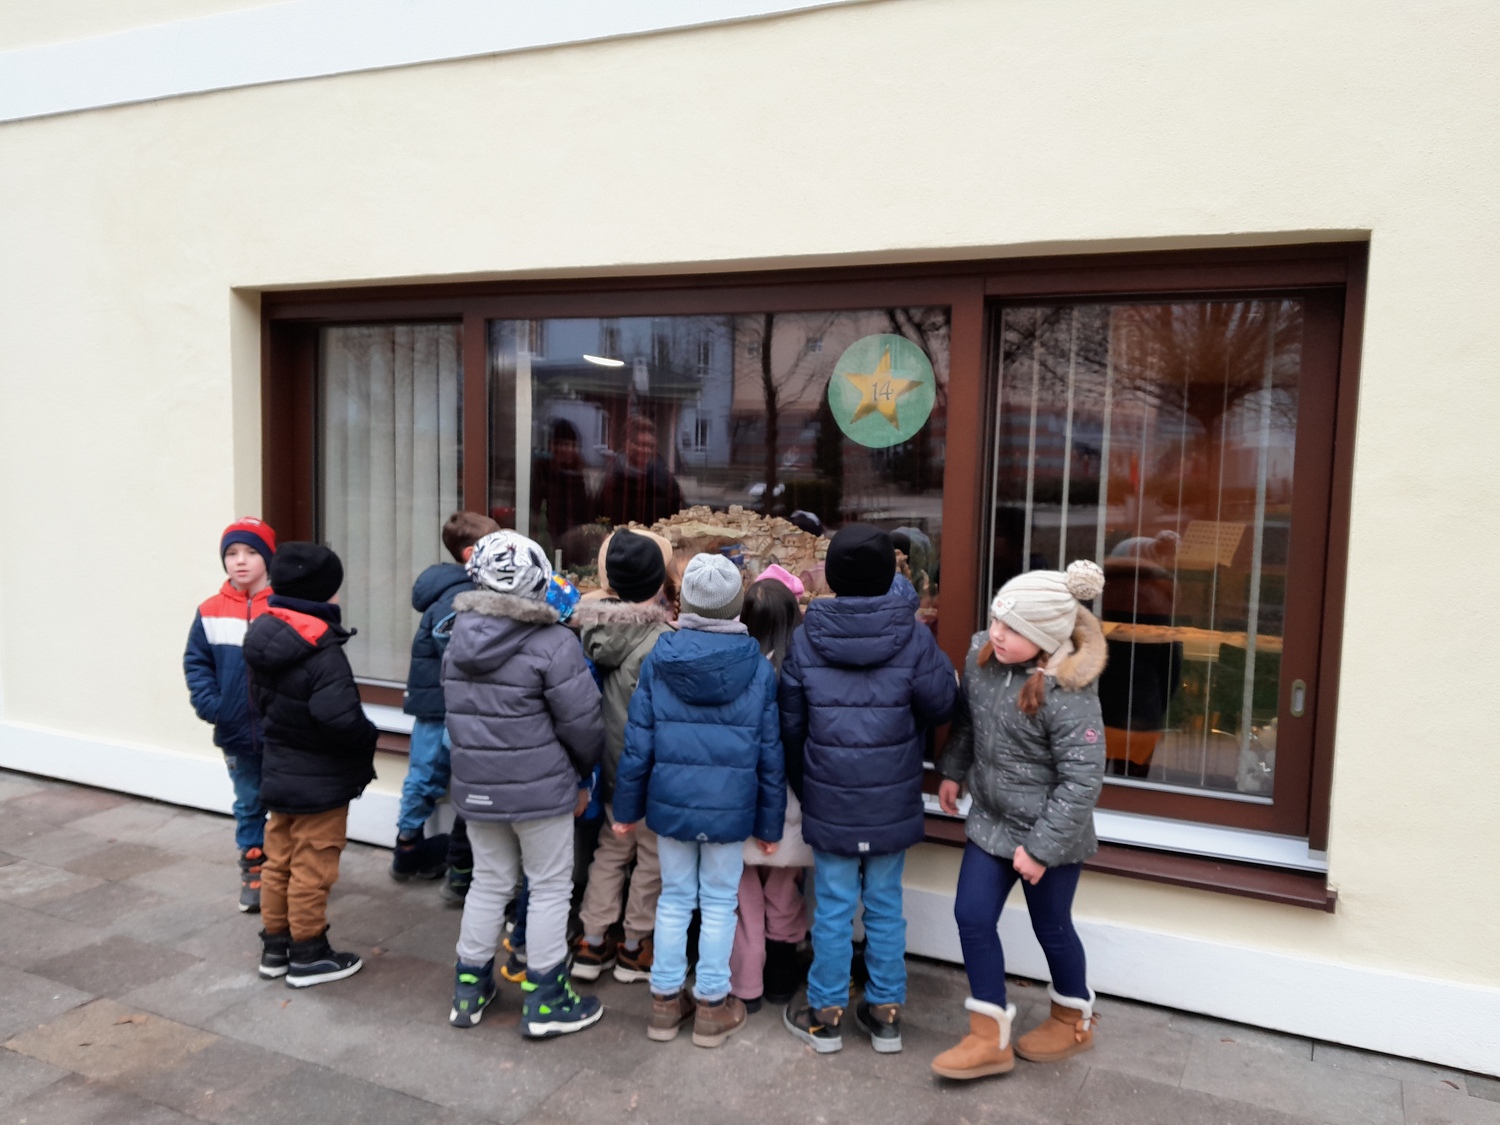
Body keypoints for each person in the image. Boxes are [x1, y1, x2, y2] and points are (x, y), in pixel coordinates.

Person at [779, 524, 957, 1055]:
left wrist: (806, 785)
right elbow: (942, 705)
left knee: (832, 908)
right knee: (884, 905)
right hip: (891, 797)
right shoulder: (914, 636)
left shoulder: (807, 636)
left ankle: (826, 1013)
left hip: (830, 795)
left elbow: (791, 724)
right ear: (888, 576)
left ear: (832, 577)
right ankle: (886, 1015)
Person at [930, 560, 1108, 1080]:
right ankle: (989, 1036)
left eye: (1013, 629)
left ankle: (1073, 1018)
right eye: (996, 620)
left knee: (1051, 925)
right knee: (971, 916)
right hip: (991, 819)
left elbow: (1082, 781)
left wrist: (1041, 850)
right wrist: (953, 770)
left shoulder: (1069, 693)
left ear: (1047, 639)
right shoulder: (983, 656)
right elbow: (969, 720)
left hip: (1050, 832)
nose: (997, 634)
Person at [612, 553, 785, 1049]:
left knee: (674, 900)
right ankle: (711, 1005)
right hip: (731, 811)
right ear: (736, 607)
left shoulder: (659, 657)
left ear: (684, 602)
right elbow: (770, 754)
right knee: (719, 904)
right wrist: (769, 826)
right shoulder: (757, 666)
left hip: (671, 806)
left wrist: (626, 810)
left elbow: (638, 742)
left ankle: (665, 1002)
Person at [442, 531, 606, 1036]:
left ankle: (469, 987)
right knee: (551, 886)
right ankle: (546, 998)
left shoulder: (456, 637)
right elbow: (583, 724)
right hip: (541, 789)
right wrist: (583, 775)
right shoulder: (554, 642)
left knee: (489, 882)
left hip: (477, 785)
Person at [242, 543, 378, 987]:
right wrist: (367, 737)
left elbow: (259, 703)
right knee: (312, 867)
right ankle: (308, 952)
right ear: (324, 594)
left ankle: (275, 947)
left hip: (279, 770)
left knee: (278, 861)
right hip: (320, 780)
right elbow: (340, 720)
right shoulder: (321, 648)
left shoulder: (264, 635)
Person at [570, 529, 676, 984]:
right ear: (659, 581)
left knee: (611, 850)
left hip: (607, 766)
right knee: (650, 856)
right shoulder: (662, 641)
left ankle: (592, 940)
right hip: (648, 771)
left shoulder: (587, 627)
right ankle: (634, 945)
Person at [392, 511, 500, 895]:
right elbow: (461, 653)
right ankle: (447, 862)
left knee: (425, 774)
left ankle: (408, 846)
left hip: (432, 702)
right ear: (472, 554)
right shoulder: (460, 597)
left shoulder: (447, 589)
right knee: (462, 779)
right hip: (450, 705)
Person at [183, 517, 277, 913]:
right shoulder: (210, 611)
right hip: (235, 730)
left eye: (251, 552)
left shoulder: (282, 607)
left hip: (280, 730)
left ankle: (286, 868)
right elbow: (197, 662)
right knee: (248, 801)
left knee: (286, 801)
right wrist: (213, 705)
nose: (240, 561)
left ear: (267, 557)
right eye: (232, 553)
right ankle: (254, 868)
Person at [729, 575, 814, 1013]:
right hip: (792, 806)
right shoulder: (804, 671)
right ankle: (781, 975)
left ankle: (746, 985)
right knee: (784, 890)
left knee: (742, 899)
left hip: (741, 802)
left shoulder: (735, 670)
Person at [597, 416, 685, 528]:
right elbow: (600, 519)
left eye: (651, 446)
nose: (646, 450)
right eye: (641, 444)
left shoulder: (666, 481)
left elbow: (678, 519)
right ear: (627, 444)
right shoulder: (611, 479)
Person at [533, 418, 594, 558]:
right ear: (552, 446)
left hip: (578, 541)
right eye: (564, 444)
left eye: (573, 445)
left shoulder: (580, 474)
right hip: (548, 543)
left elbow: (588, 510)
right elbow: (534, 511)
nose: (569, 450)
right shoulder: (542, 472)